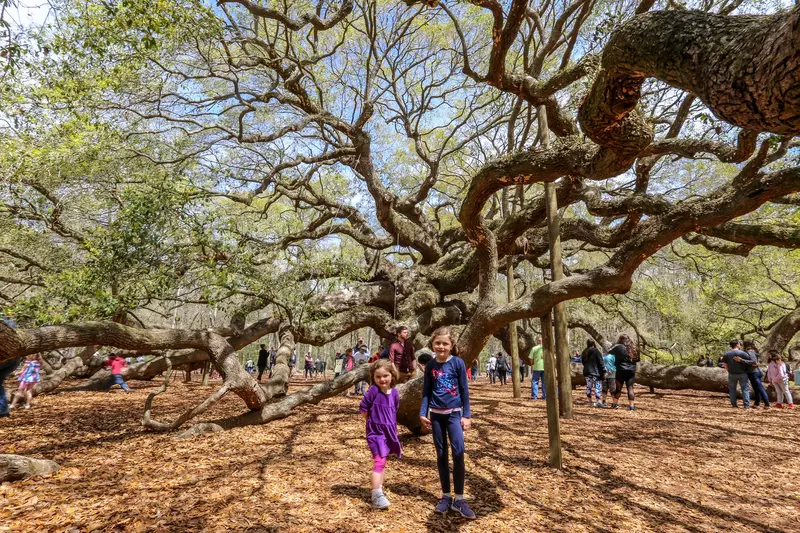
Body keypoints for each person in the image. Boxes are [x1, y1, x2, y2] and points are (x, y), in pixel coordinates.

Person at [419, 327, 475, 519]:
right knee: (441, 454)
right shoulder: (430, 365)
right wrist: (422, 412)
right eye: (438, 343)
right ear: (432, 345)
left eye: (445, 343)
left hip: (454, 414)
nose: (441, 347)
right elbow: (426, 391)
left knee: (458, 452)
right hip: (435, 416)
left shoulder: (458, 363)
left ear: (451, 345)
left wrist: (466, 415)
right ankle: (446, 496)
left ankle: (459, 499)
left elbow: (464, 391)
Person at [359, 359, 402, 510]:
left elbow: (394, 409)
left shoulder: (395, 393)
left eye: (385, 376)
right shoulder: (373, 391)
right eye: (378, 377)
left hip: (389, 432)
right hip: (375, 432)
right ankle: (376, 494)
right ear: (373, 378)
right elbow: (363, 408)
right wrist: (371, 422)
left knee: (383, 461)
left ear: (392, 376)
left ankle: (379, 487)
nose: (382, 379)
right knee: (379, 461)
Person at [722, 339, 755, 409]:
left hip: (731, 374)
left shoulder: (727, 354)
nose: (740, 345)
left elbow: (725, 364)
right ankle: (746, 405)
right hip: (742, 374)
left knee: (732, 389)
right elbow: (751, 362)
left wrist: (729, 371)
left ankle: (734, 405)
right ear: (737, 345)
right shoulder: (742, 353)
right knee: (745, 389)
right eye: (739, 344)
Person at [609, 334, 639, 410]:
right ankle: (631, 406)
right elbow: (638, 359)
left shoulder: (618, 347)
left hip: (620, 370)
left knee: (618, 389)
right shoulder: (634, 348)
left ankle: (615, 404)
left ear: (620, 340)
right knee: (630, 388)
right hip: (631, 371)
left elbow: (609, 351)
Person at [743, 340, 769, 409]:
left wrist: (742, 360)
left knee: (760, 388)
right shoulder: (753, 352)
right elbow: (757, 361)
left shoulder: (750, 352)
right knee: (756, 388)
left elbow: (753, 361)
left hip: (754, 372)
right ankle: (757, 403)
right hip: (754, 372)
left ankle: (767, 403)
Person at [581, 340, 606, 407]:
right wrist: (604, 371)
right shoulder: (596, 351)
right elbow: (601, 362)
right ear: (594, 344)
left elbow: (583, 362)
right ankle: (598, 401)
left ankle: (590, 401)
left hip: (587, 373)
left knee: (589, 387)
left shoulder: (584, 352)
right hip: (595, 373)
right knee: (597, 386)